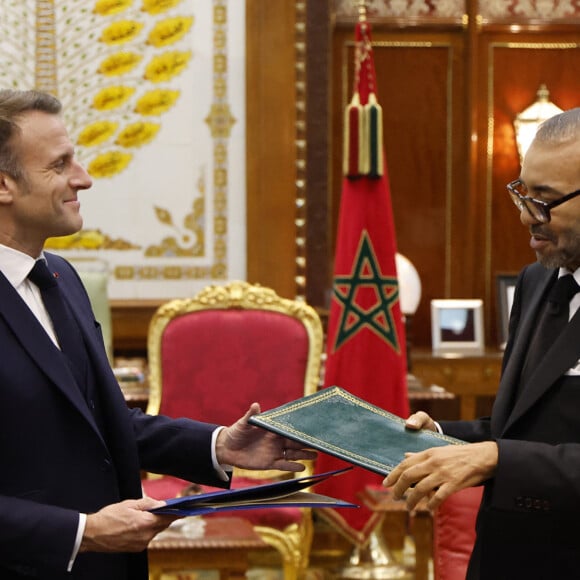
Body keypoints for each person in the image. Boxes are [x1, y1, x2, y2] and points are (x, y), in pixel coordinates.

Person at [0, 89, 316, 579]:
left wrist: (218, 446)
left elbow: (102, 424)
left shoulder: (60, 277)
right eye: (60, 165)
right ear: (4, 185)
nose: (83, 178)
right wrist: (81, 533)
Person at [385, 107, 580, 579]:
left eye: (544, 200)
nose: (524, 216)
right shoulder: (537, 282)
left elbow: (509, 451)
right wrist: (446, 438)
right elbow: (522, 426)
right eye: (522, 193)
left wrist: (496, 458)